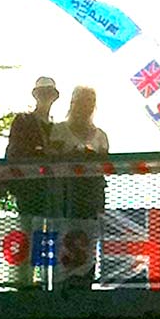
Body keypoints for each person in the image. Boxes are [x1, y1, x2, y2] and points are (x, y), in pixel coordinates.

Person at [49, 85, 109, 220]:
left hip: (92, 193)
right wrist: (72, 155)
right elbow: (52, 159)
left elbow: (105, 165)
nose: (87, 105)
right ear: (74, 103)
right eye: (83, 101)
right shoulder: (59, 130)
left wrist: (93, 157)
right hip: (65, 194)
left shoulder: (100, 136)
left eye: (91, 101)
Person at [5, 76, 60, 218]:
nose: (45, 96)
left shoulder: (57, 126)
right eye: (42, 93)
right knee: (30, 232)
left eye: (49, 93)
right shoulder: (23, 120)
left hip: (53, 189)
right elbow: (14, 152)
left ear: (54, 97)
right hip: (28, 188)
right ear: (35, 95)